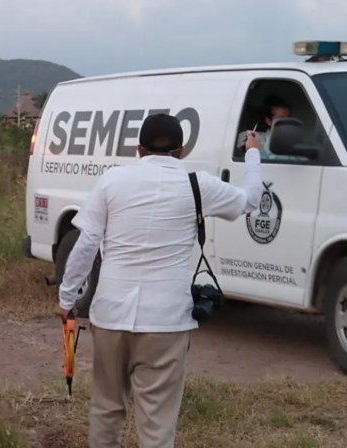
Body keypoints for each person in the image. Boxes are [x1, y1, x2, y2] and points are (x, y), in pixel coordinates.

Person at [56, 113, 264, 447]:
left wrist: (66, 300)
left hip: (110, 315)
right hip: (166, 321)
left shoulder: (113, 181)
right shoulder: (198, 185)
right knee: (157, 423)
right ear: (181, 151)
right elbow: (250, 200)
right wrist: (253, 152)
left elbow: (86, 244)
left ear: (139, 149)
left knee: (106, 410)